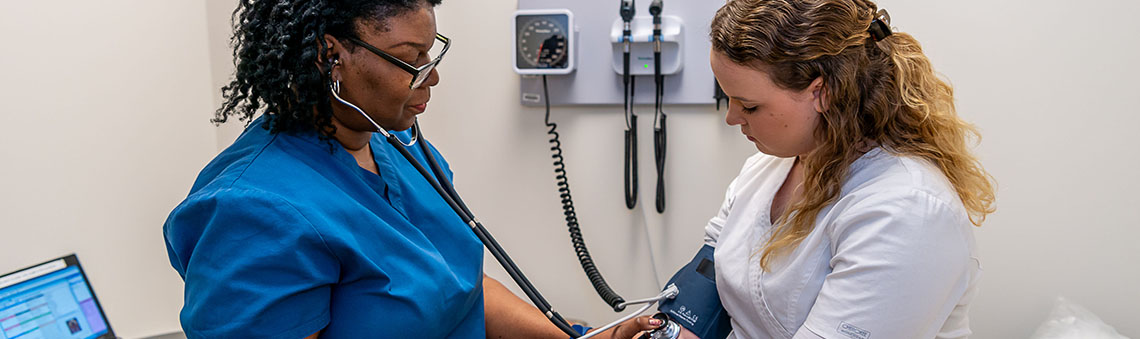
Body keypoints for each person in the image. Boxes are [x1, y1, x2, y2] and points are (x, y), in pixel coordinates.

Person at [162, 0, 659, 338]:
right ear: (328, 55)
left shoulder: (397, 145)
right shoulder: (252, 209)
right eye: (410, 59)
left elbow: (452, 286)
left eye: (431, 53)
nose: (432, 77)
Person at [682, 0, 997, 338]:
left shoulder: (906, 210)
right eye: (727, 96)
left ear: (822, 93)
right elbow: (709, 275)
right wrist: (672, 326)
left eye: (750, 105)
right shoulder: (766, 168)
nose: (732, 118)